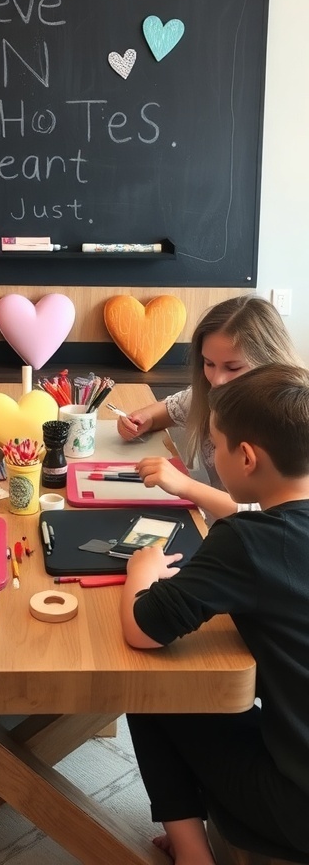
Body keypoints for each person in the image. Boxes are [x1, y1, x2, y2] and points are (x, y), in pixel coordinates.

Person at [120, 364, 309, 865]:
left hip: (297, 809)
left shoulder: (247, 542)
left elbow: (144, 629)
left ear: (246, 457)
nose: (211, 457)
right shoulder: (268, 533)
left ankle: (191, 852)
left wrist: (141, 571)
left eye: (215, 447)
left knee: (147, 684)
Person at [117, 295, 304, 520]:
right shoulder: (211, 393)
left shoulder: (291, 417)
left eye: (233, 367)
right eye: (209, 364)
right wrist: (141, 419)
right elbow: (169, 408)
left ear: (269, 360)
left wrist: (185, 486)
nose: (217, 380)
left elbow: (274, 516)